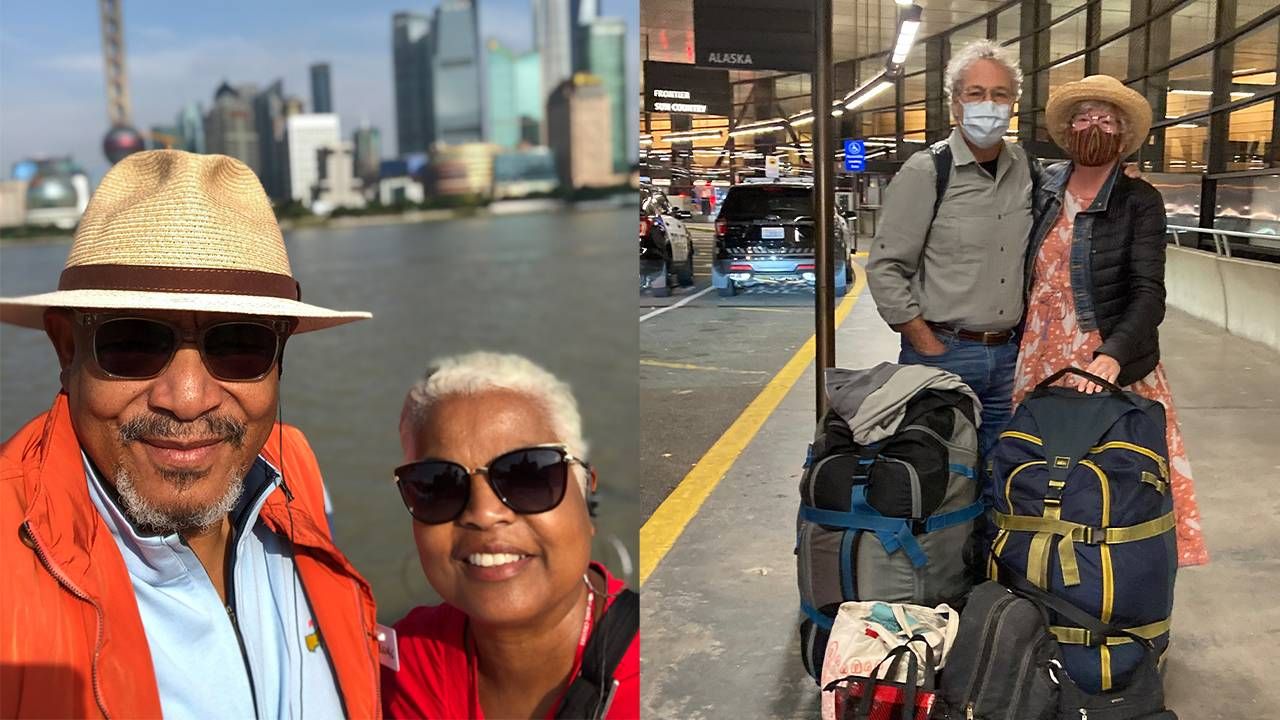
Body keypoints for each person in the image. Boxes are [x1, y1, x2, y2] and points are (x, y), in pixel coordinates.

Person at [0, 150, 381, 718]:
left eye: (238, 344)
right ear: (67, 347)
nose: (186, 398)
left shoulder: (292, 471)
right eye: (132, 340)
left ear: (280, 357)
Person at [1013, 75, 1208, 567]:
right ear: (1067, 129)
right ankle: (1042, 567)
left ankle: (1117, 578)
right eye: (1084, 116)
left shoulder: (1138, 199)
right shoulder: (1044, 185)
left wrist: (1112, 357)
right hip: (1040, 354)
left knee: (1114, 473)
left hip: (1107, 357)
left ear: (1122, 136)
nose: (1094, 126)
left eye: (1107, 119)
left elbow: (1148, 292)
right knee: (1042, 466)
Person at [383, 352, 639, 719]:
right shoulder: (402, 665)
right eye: (438, 484)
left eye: (528, 476)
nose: (484, 514)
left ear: (586, 494)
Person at [867, 39, 1034, 458]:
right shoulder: (926, 171)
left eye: (1000, 94)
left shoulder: (1026, 171)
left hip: (1009, 355)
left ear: (1014, 104)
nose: (988, 104)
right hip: (944, 351)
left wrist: (1118, 173)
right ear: (955, 105)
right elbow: (886, 267)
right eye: (975, 94)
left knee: (1002, 471)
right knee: (938, 472)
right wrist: (925, 343)